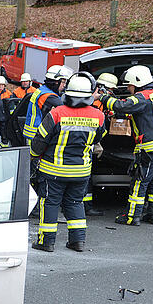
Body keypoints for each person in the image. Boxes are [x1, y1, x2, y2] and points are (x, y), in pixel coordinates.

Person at [30, 73, 107, 252]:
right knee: (75, 203)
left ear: (68, 93)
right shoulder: (99, 116)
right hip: (81, 172)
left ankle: (46, 241)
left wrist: (33, 155)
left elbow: (40, 140)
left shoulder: (56, 113)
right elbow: (99, 136)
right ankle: (77, 241)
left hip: (54, 171)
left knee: (49, 203)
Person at [100, 65, 153, 226]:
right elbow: (140, 113)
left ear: (137, 82)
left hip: (151, 148)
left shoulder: (142, 97)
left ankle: (132, 216)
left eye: (129, 85)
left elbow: (123, 105)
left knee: (139, 182)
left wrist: (104, 98)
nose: (128, 88)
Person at [82, 72, 119, 217]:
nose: (111, 93)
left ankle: (86, 205)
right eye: (110, 90)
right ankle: (85, 207)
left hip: (89, 143)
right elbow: (97, 127)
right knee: (85, 177)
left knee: (87, 177)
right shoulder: (91, 102)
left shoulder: (96, 102)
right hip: (86, 144)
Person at [23, 65, 73, 144]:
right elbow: (66, 109)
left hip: (34, 134)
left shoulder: (42, 90)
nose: (64, 85)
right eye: (63, 82)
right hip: (36, 136)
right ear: (56, 82)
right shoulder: (48, 96)